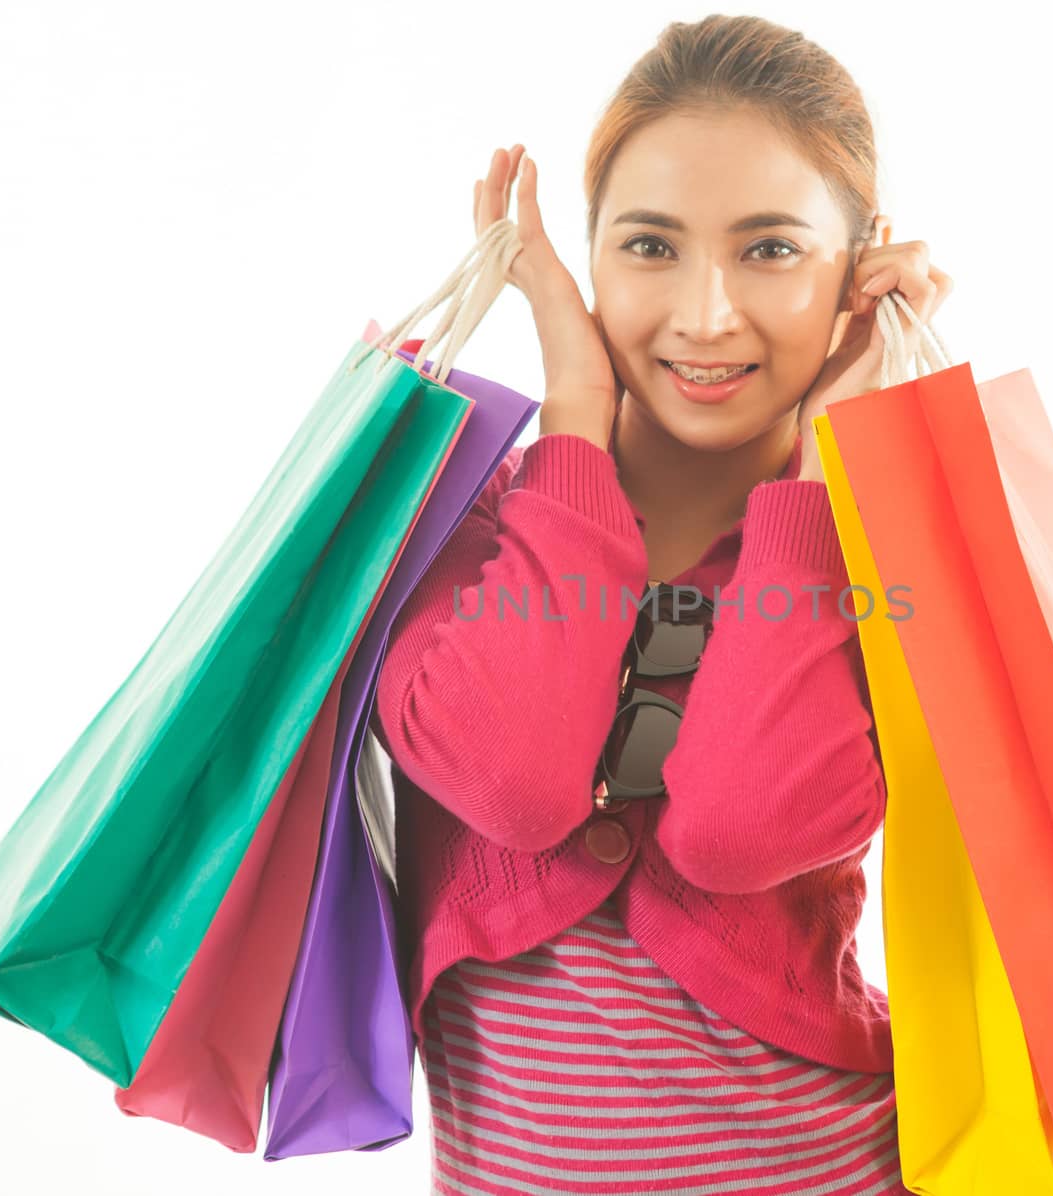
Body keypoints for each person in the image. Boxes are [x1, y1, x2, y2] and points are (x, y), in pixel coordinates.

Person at [371, 13, 951, 1194]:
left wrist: (818, 485)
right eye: (649, 246)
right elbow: (512, 778)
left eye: (772, 250)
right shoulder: (450, 527)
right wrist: (572, 404)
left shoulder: (877, 570)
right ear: (587, 256)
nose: (704, 315)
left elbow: (743, 825)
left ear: (860, 270)